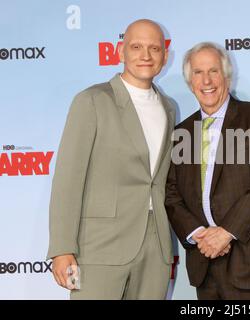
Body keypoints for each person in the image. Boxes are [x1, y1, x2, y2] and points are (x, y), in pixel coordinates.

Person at [47, 19, 175, 299]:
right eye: (136, 46)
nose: (145, 55)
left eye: (154, 48)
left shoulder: (169, 108)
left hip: (156, 249)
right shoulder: (92, 101)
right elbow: (68, 179)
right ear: (120, 51)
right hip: (99, 248)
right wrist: (61, 248)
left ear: (165, 56)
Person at [165, 42, 250, 299]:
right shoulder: (182, 133)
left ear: (227, 77)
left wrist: (225, 233)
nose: (207, 80)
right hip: (205, 266)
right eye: (198, 73)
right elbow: (171, 193)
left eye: (213, 71)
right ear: (190, 83)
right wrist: (201, 236)